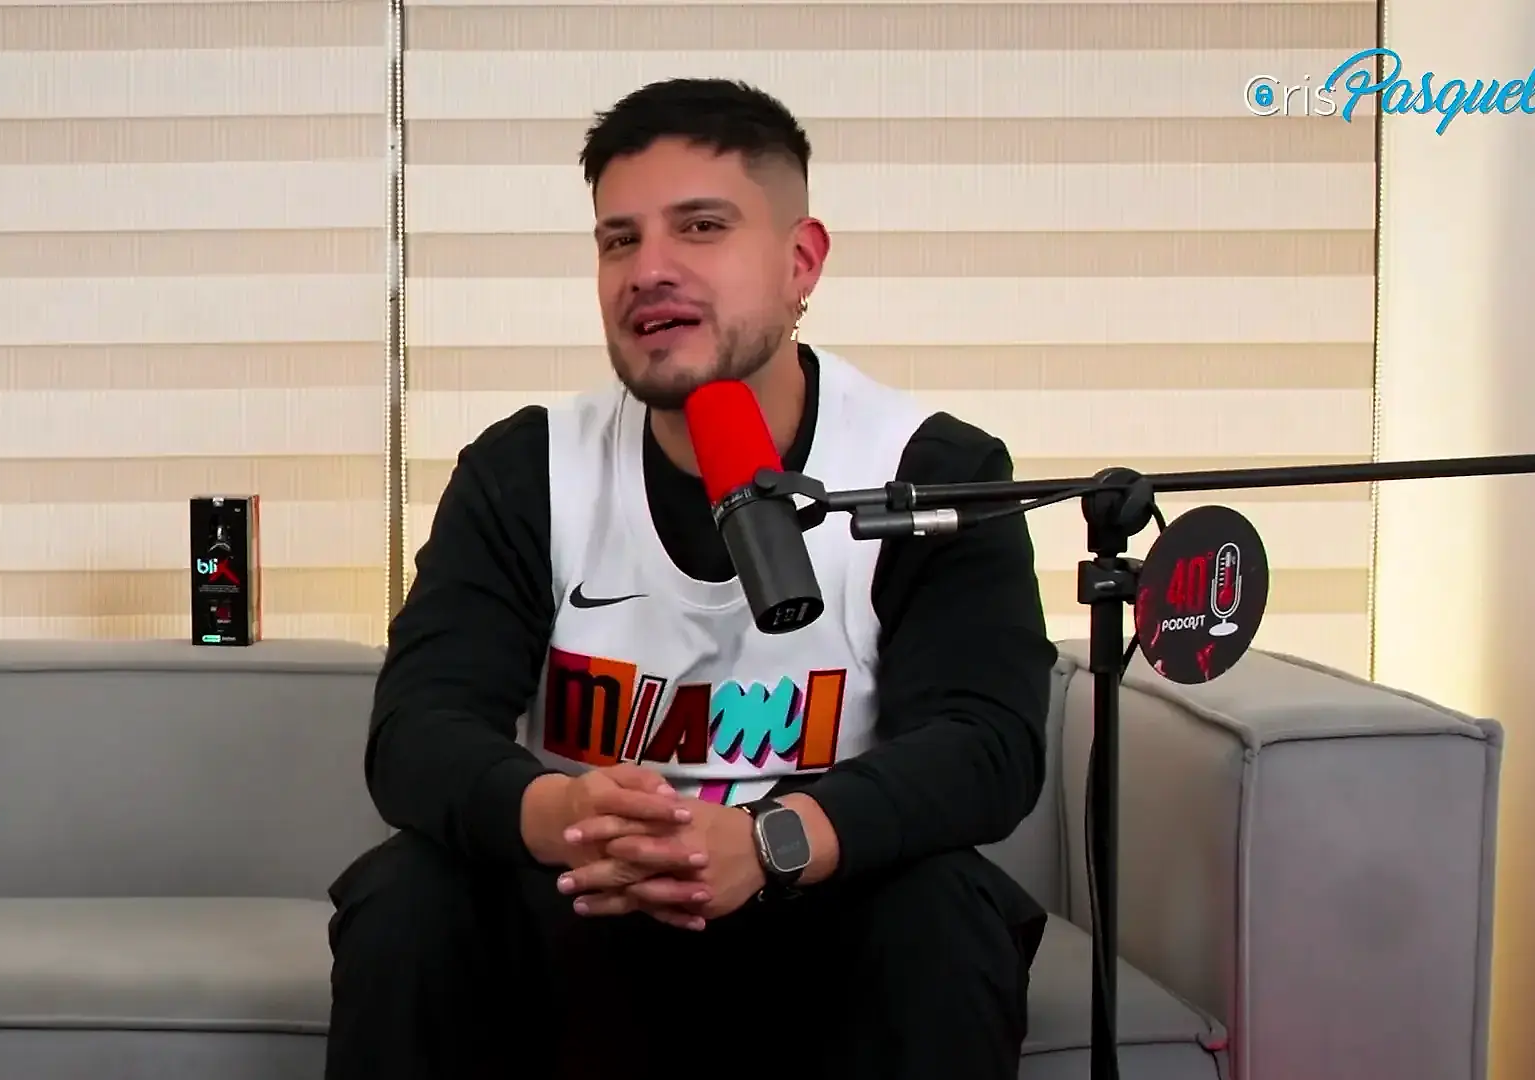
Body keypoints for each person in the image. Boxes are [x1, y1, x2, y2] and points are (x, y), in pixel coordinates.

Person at [326, 78, 1057, 1080]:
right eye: (618, 240)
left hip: (813, 912)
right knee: (406, 894)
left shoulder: (929, 469)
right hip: (582, 905)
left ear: (801, 262)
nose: (649, 270)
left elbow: (985, 743)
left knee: (943, 910)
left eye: (701, 227)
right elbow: (417, 729)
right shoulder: (527, 468)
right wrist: (564, 816)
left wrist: (769, 842)